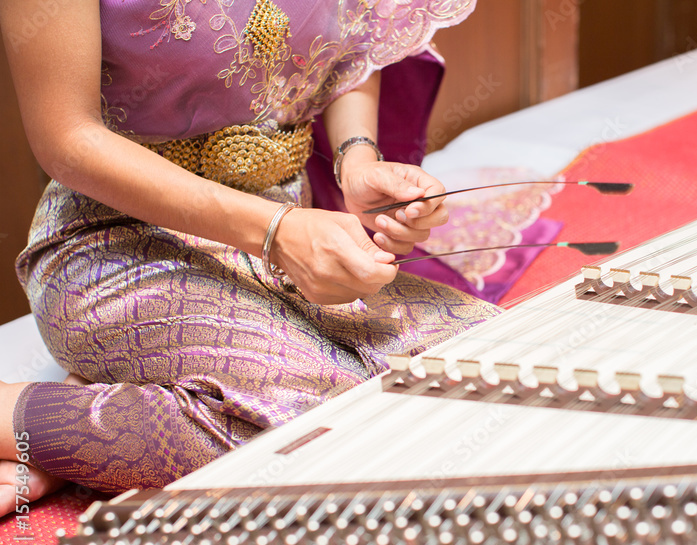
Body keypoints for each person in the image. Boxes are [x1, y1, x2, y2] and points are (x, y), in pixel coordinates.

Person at [0, 0, 499, 517]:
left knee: (483, 364)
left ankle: (94, 417)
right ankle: (11, 411)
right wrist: (276, 232)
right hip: (114, 241)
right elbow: (67, 138)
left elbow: (354, 38)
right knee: (318, 431)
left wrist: (357, 160)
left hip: (285, 229)